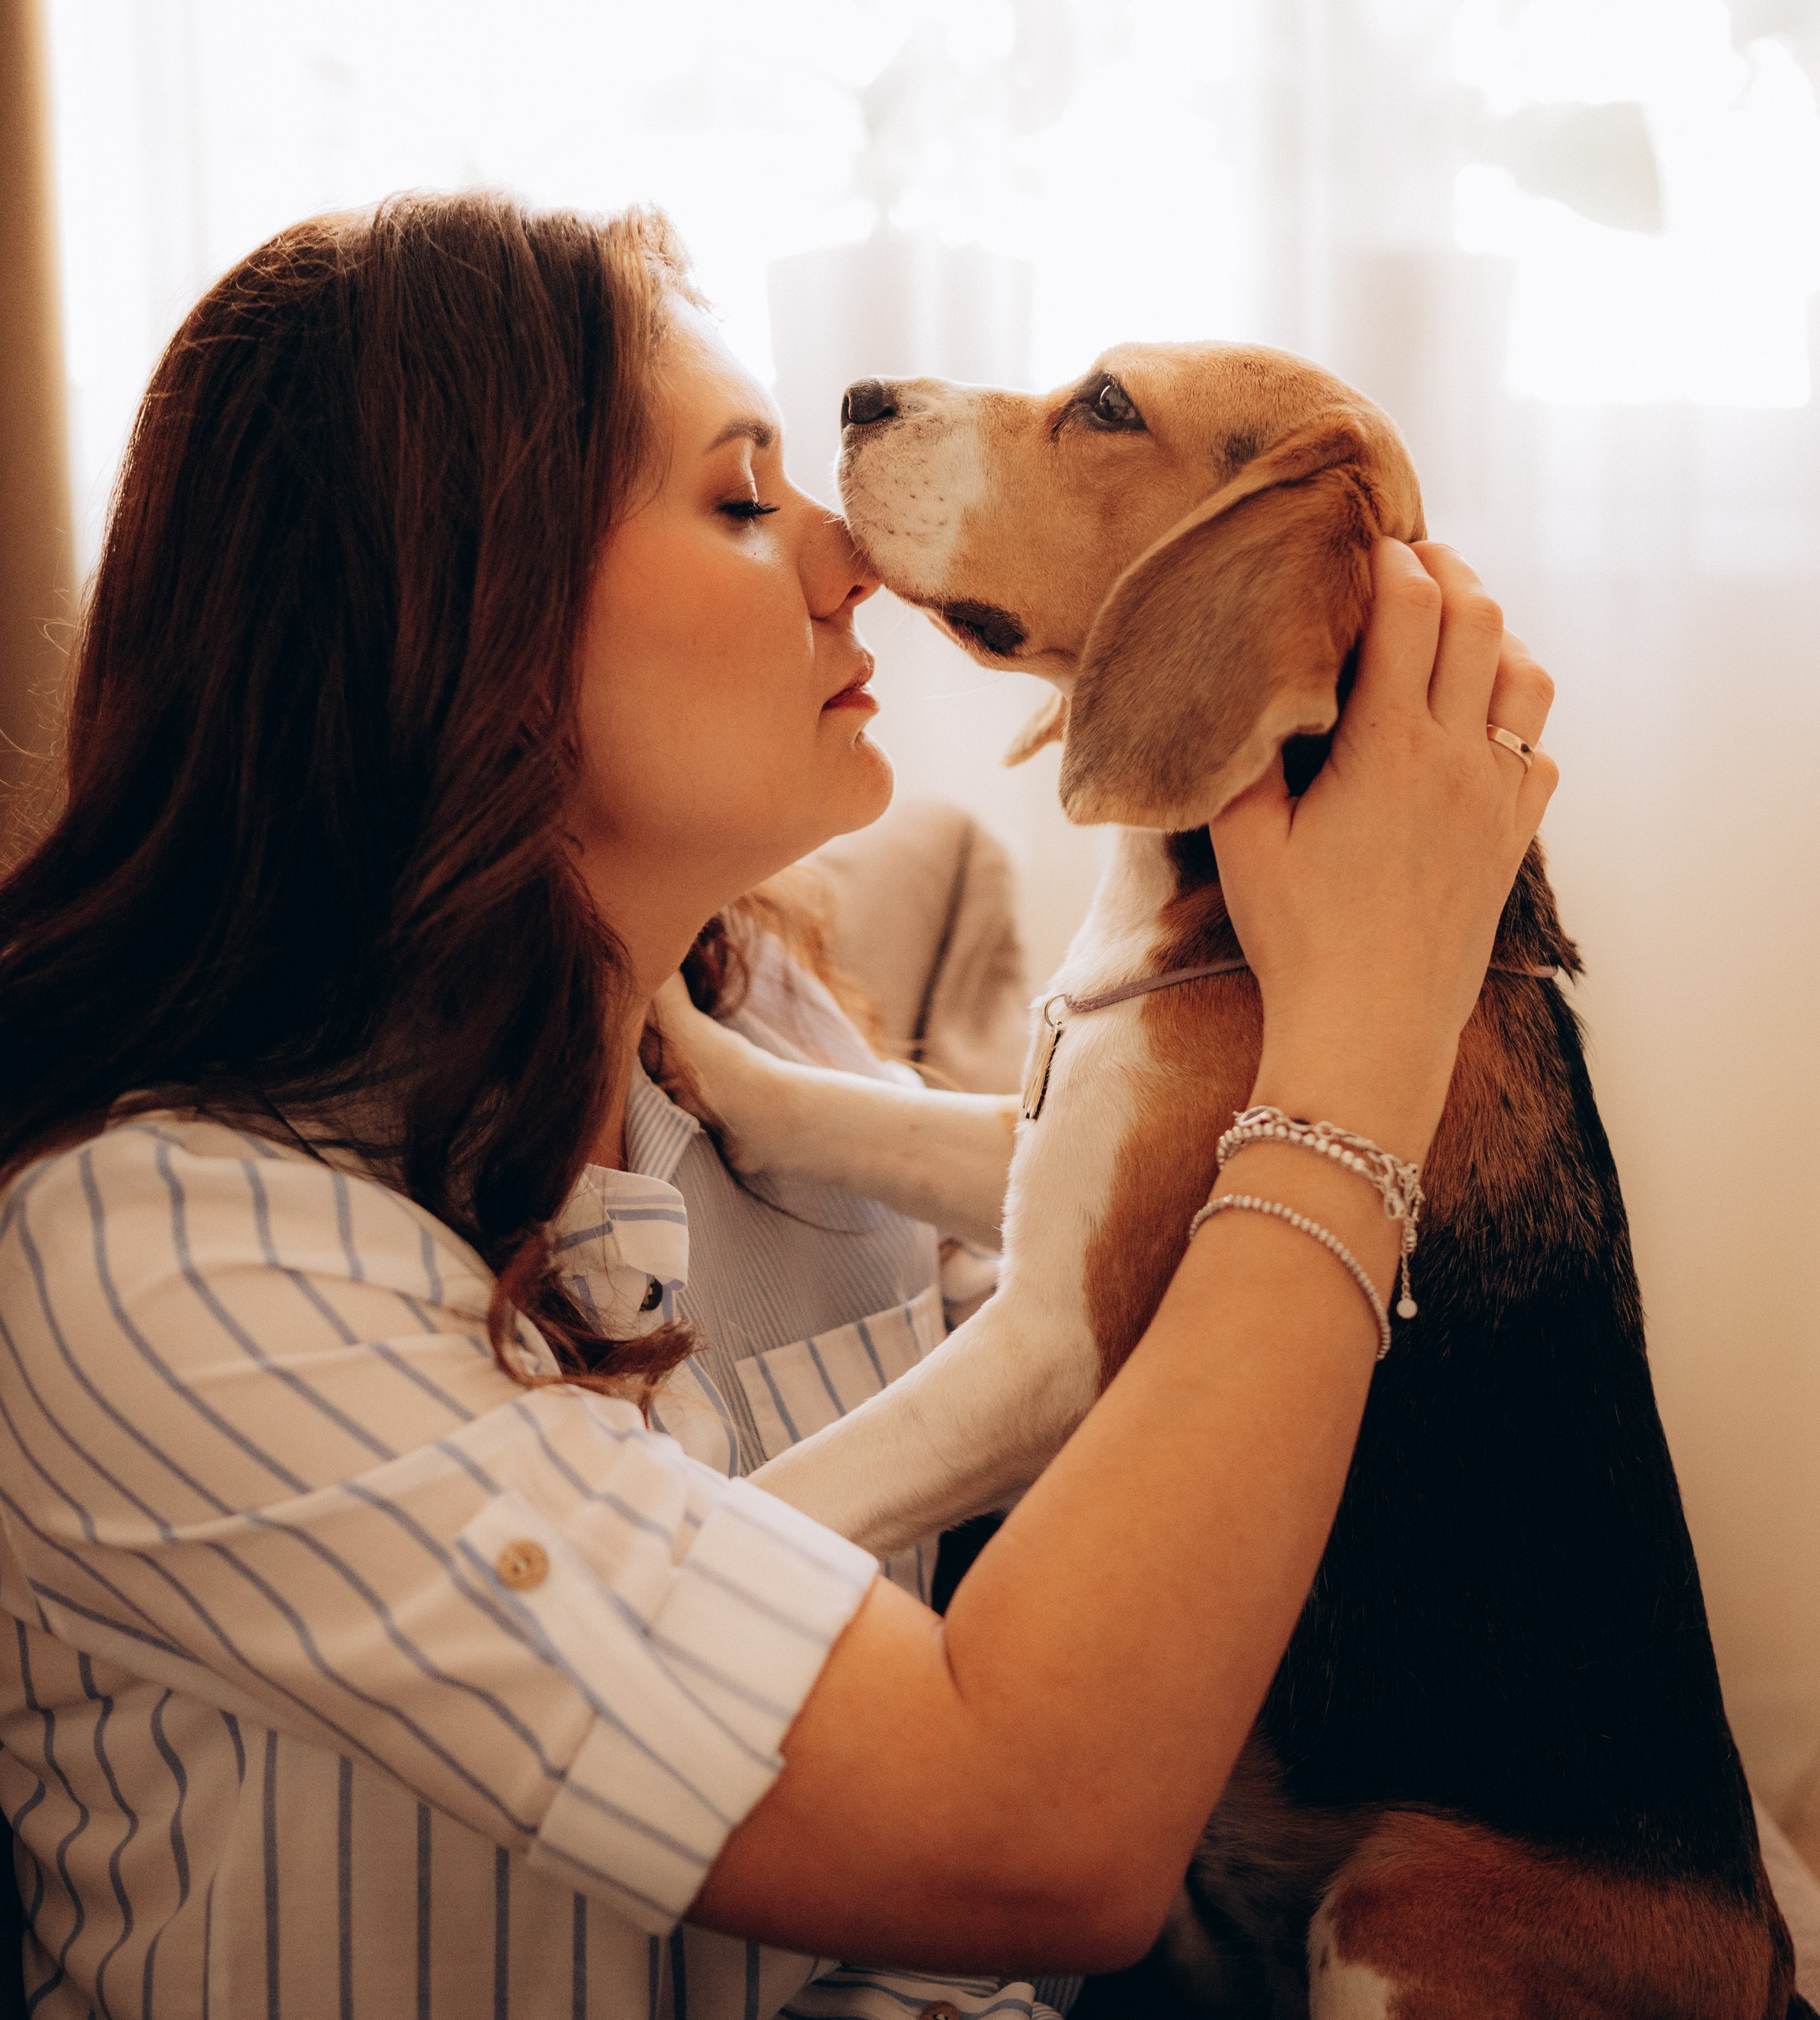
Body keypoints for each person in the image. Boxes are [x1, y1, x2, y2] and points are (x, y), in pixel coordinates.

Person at [0, 193, 1555, 2020]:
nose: (842, 548)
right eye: (741, 500)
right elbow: (1034, 1826)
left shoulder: (770, 1016)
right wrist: (1371, 1026)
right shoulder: (169, 1267)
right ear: (452, 612)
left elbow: (1114, 1393)